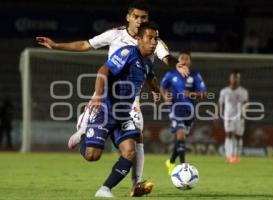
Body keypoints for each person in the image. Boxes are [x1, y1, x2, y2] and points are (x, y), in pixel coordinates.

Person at [36, 1, 188, 195]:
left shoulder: (153, 40)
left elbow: (165, 59)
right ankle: (85, 129)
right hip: (107, 93)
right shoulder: (117, 36)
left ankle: (135, 184)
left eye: (144, 18)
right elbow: (86, 45)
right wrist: (56, 45)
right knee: (94, 153)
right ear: (128, 17)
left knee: (137, 136)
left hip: (129, 99)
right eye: (137, 17)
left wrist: (165, 79)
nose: (140, 21)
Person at [78, 21, 160, 198]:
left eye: (156, 39)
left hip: (123, 116)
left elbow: (151, 78)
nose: (154, 42)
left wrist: (157, 92)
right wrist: (98, 95)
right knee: (92, 156)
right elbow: (103, 70)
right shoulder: (128, 53)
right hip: (105, 111)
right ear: (138, 39)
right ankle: (83, 131)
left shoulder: (147, 63)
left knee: (130, 150)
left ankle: (104, 189)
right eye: (150, 38)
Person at [160, 51, 206, 175]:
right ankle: (183, 167)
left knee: (181, 139)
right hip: (175, 109)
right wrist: (165, 97)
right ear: (178, 61)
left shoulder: (195, 76)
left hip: (189, 111)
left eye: (187, 58)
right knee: (180, 135)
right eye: (182, 58)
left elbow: (203, 94)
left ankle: (170, 162)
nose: (184, 60)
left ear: (190, 62)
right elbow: (163, 87)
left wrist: (191, 94)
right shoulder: (171, 74)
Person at [219, 70, 248, 163]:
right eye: (233, 77)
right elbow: (220, 103)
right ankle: (229, 156)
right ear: (230, 78)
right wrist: (217, 114)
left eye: (237, 77)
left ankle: (236, 156)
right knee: (228, 135)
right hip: (228, 116)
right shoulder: (224, 91)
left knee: (238, 136)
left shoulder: (243, 91)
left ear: (239, 79)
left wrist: (244, 113)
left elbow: (246, 103)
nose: (235, 79)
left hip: (239, 116)